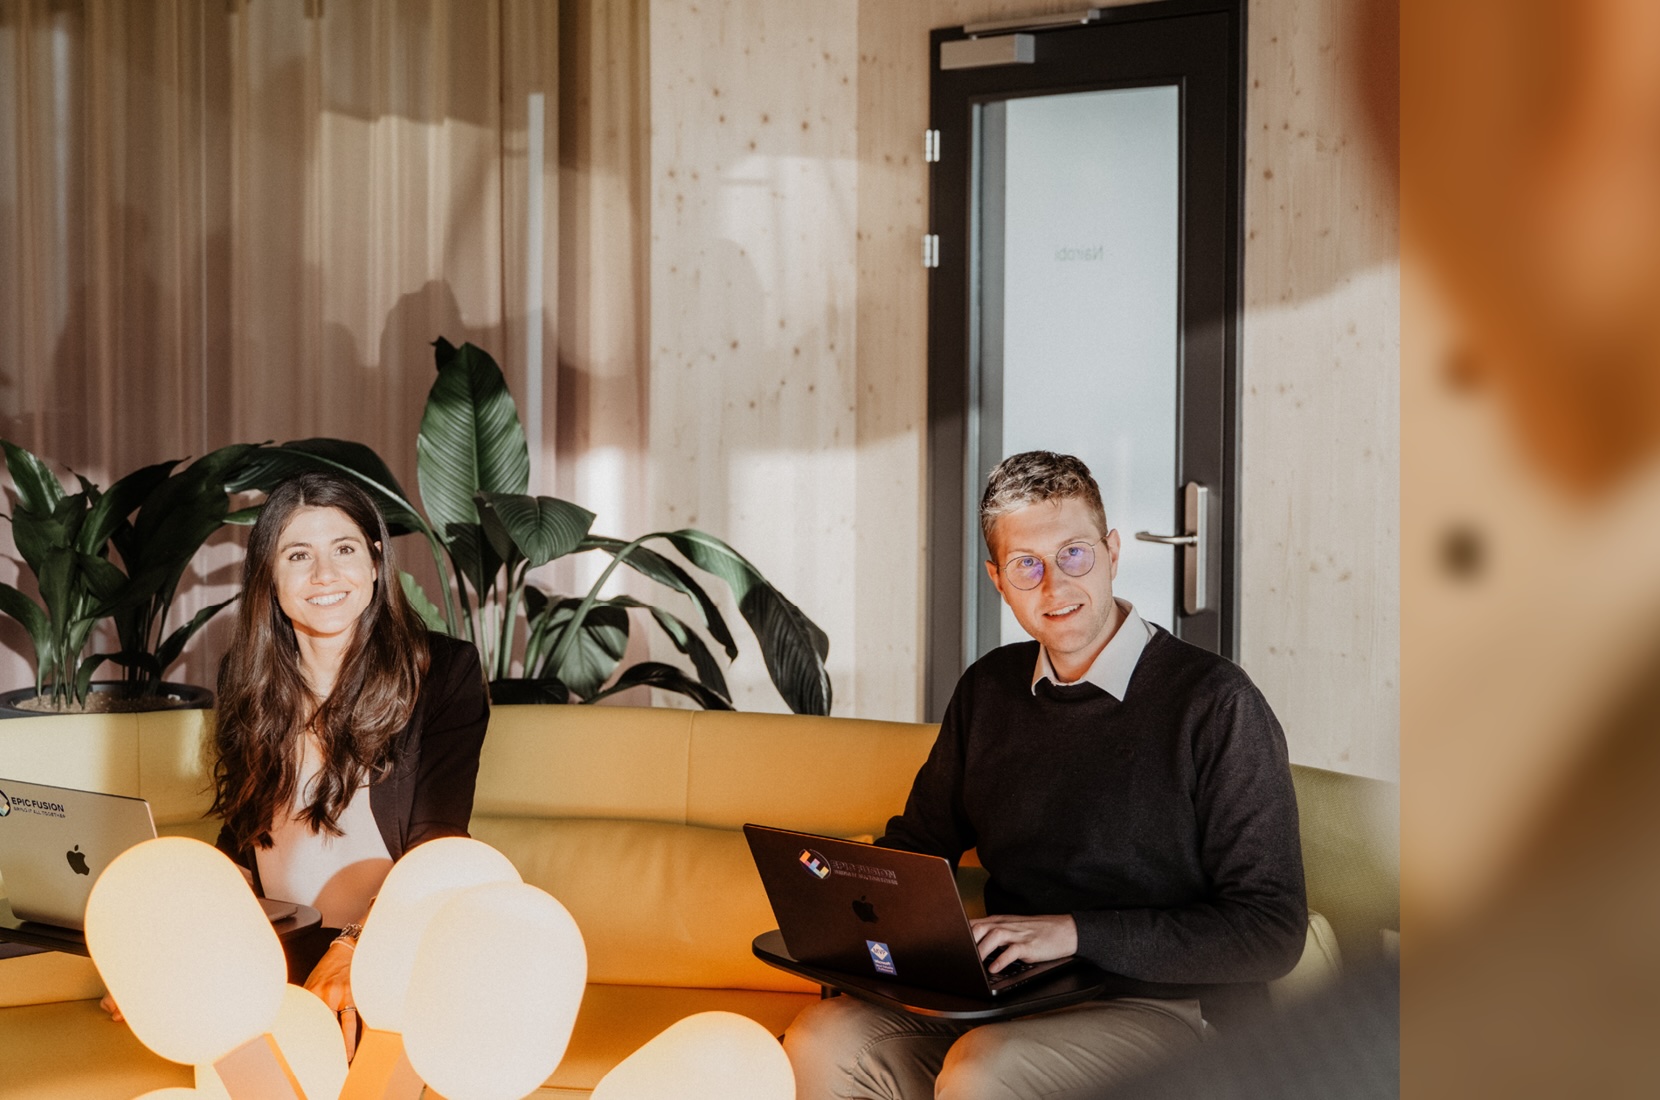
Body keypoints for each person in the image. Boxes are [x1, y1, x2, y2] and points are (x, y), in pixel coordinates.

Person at [784, 451, 1307, 1099]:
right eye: (1027, 565)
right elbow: (920, 846)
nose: (1055, 588)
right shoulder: (989, 690)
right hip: (1011, 998)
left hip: (1173, 1009)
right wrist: (839, 895)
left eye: (1074, 555)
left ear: (1113, 552)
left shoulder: (1216, 702)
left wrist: (1073, 931)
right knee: (826, 1038)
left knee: (986, 1070)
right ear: (997, 579)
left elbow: (1271, 931)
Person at [118, 471, 489, 1053]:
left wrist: (353, 949)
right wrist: (174, 947)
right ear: (269, 578)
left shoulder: (444, 673)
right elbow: (243, 839)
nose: (325, 575)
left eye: (343, 549)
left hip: (396, 950)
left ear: (374, 562)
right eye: (298, 555)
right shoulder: (247, 679)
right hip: (273, 957)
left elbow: (439, 847)